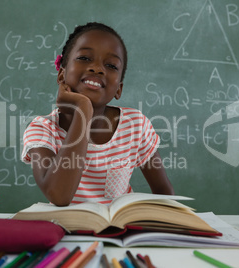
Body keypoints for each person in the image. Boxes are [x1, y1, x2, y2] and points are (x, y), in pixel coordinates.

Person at [22, 22, 174, 206]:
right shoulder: (43, 129)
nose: (97, 68)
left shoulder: (135, 125)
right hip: (66, 231)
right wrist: (83, 110)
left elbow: (164, 192)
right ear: (61, 75)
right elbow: (59, 196)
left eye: (111, 65)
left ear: (119, 89)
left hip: (119, 230)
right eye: (84, 58)